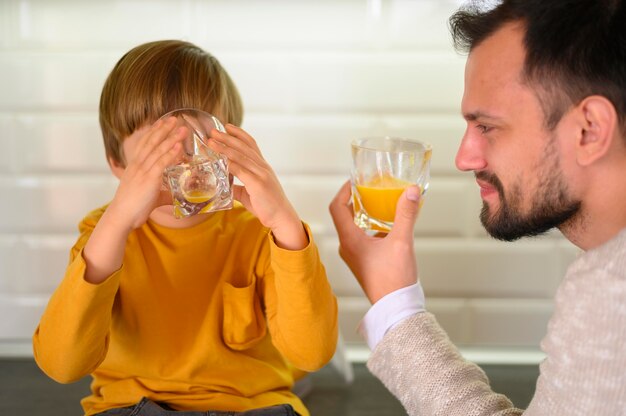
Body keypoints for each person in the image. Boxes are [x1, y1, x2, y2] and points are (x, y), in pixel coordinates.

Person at [330, 0, 626, 414]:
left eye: (486, 126)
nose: (464, 157)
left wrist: (394, 306)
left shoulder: (612, 287)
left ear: (589, 130)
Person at [32, 40, 338, 416]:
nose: (185, 159)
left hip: (251, 407)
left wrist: (285, 223)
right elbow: (62, 365)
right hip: (132, 407)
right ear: (117, 162)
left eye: (202, 138)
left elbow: (312, 352)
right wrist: (117, 223)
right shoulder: (103, 234)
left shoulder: (260, 234)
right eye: (159, 146)